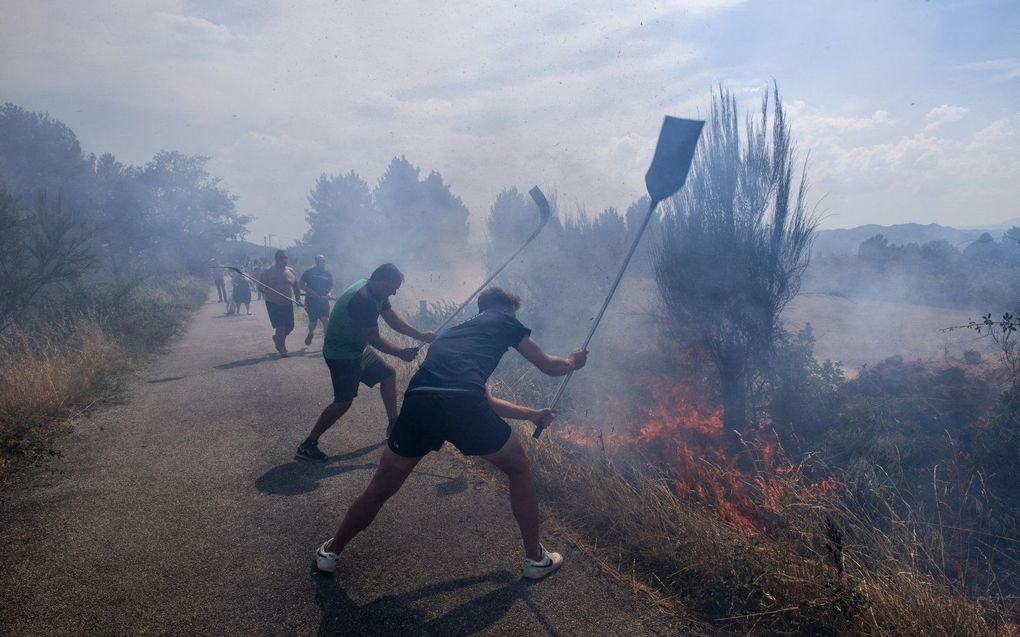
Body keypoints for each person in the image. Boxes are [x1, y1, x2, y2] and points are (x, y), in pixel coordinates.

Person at [313, 287, 588, 581]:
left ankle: (331, 551)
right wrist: (572, 362)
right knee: (518, 469)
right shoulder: (504, 319)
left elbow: (486, 400)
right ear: (506, 309)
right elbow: (547, 365)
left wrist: (532, 414)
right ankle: (536, 559)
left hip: (420, 400)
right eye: (513, 313)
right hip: (462, 404)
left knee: (381, 486)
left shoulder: (454, 332)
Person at [296, 263, 436, 460]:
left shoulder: (376, 292)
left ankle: (393, 424)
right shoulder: (362, 299)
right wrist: (400, 353)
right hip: (342, 354)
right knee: (343, 402)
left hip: (357, 349)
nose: (394, 293)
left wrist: (420, 334)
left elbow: (391, 319)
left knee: (388, 374)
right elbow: (373, 337)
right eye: (393, 288)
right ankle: (308, 444)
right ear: (382, 281)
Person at [260, 250, 302, 357]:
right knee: (281, 326)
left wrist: (298, 299)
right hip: (273, 303)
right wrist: (264, 289)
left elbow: (296, 286)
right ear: (276, 259)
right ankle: (282, 348)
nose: (284, 260)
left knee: (290, 326)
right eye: (282, 258)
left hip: (287, 302)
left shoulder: (291, 271)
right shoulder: (268, 272)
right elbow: (261, 287)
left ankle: (278, 338)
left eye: (285, 258)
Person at [300, 254, 334, 346]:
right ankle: (310, 333)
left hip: (323, 301)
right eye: (320, 261)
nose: (322, 263)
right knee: (313, 323)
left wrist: (329, 293)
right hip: (311, 302)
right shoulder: (309, 272)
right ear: (316, 262)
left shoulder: (328, 274)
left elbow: (331, 286)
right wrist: (311, 292)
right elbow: (301, 284)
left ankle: (327, 342)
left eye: (323, 261)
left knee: (326, 320)